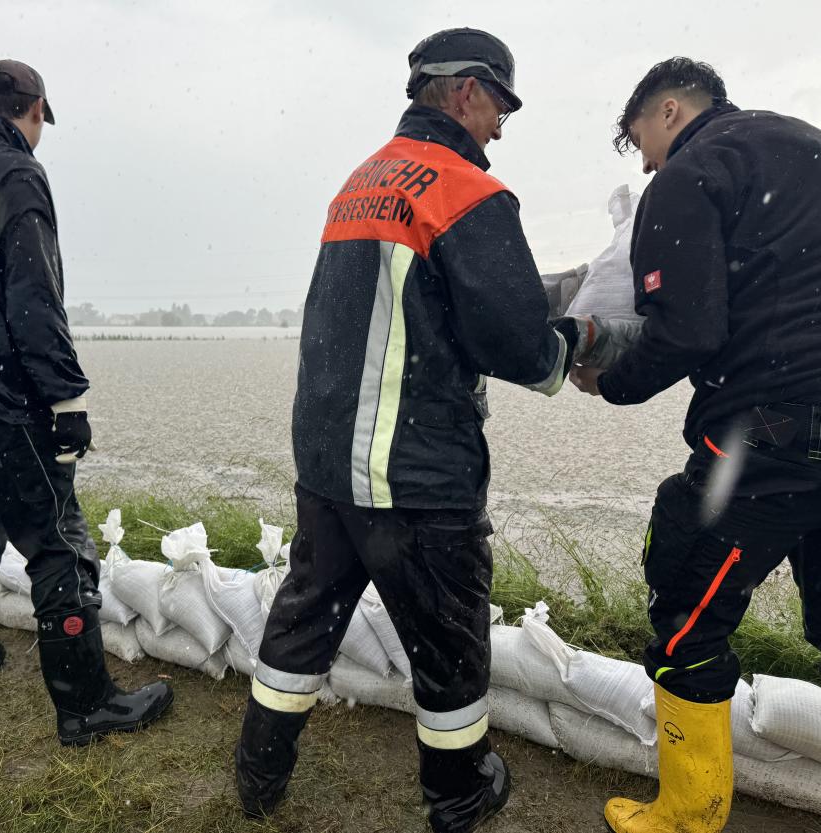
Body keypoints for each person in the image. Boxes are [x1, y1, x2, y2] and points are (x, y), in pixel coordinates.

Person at [234, 28, 581, 832]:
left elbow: (399, 310)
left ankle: (257, 775)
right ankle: (460, 793)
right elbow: (521, 348)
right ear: (466, 90)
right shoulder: (466, 190)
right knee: (450, 644)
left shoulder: (357, 184)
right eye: (499, 107)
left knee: (303, 621)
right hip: (414, 475)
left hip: (328, 465)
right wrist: (580, 339)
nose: (500, 128)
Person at [570, 58, 821, 833]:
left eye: (639, 142)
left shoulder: (689, 175)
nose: (645, 164)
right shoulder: (816, 147)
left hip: (771, 430)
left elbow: (688, 331)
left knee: (688, 601)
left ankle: (690, 811)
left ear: (670, 110)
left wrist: (609, 382)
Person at [0, 59, 172, 743]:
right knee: (59, 545)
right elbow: (34, 295)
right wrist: (66, 398)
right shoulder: (17, 172)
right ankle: (85, 706)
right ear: (34, 112)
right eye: (41, 121)